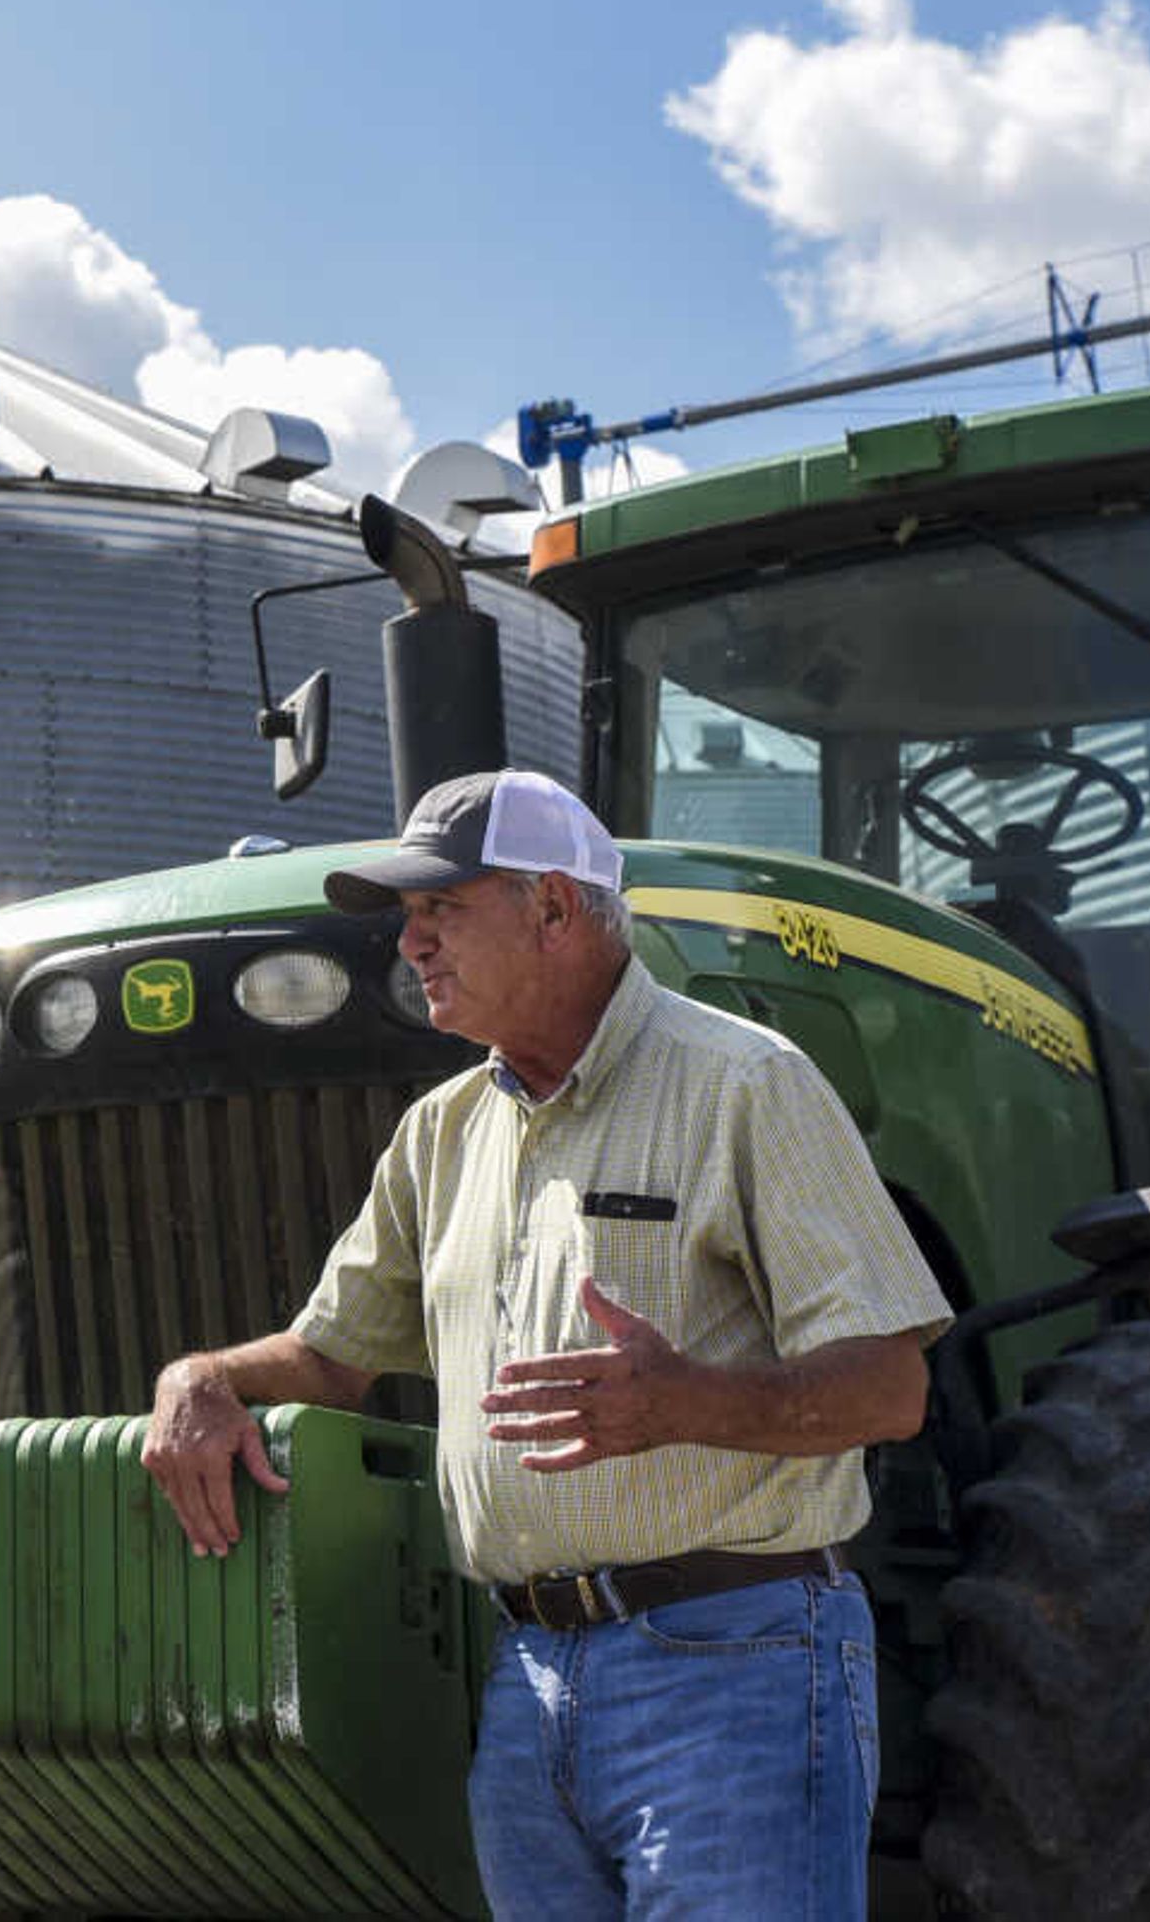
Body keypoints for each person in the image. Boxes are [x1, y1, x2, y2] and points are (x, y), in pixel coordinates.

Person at [138, 768, 949, 1920]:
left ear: (556, 911)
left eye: (442, 910)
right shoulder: (444, 1131)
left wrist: (681, 1403)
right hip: (528, 1682)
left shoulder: (747, 1083)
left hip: (740, 1664)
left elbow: (892, 1385)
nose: (411, 944)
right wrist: (200, 1378)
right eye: (408, 919)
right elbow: (333, 1359)